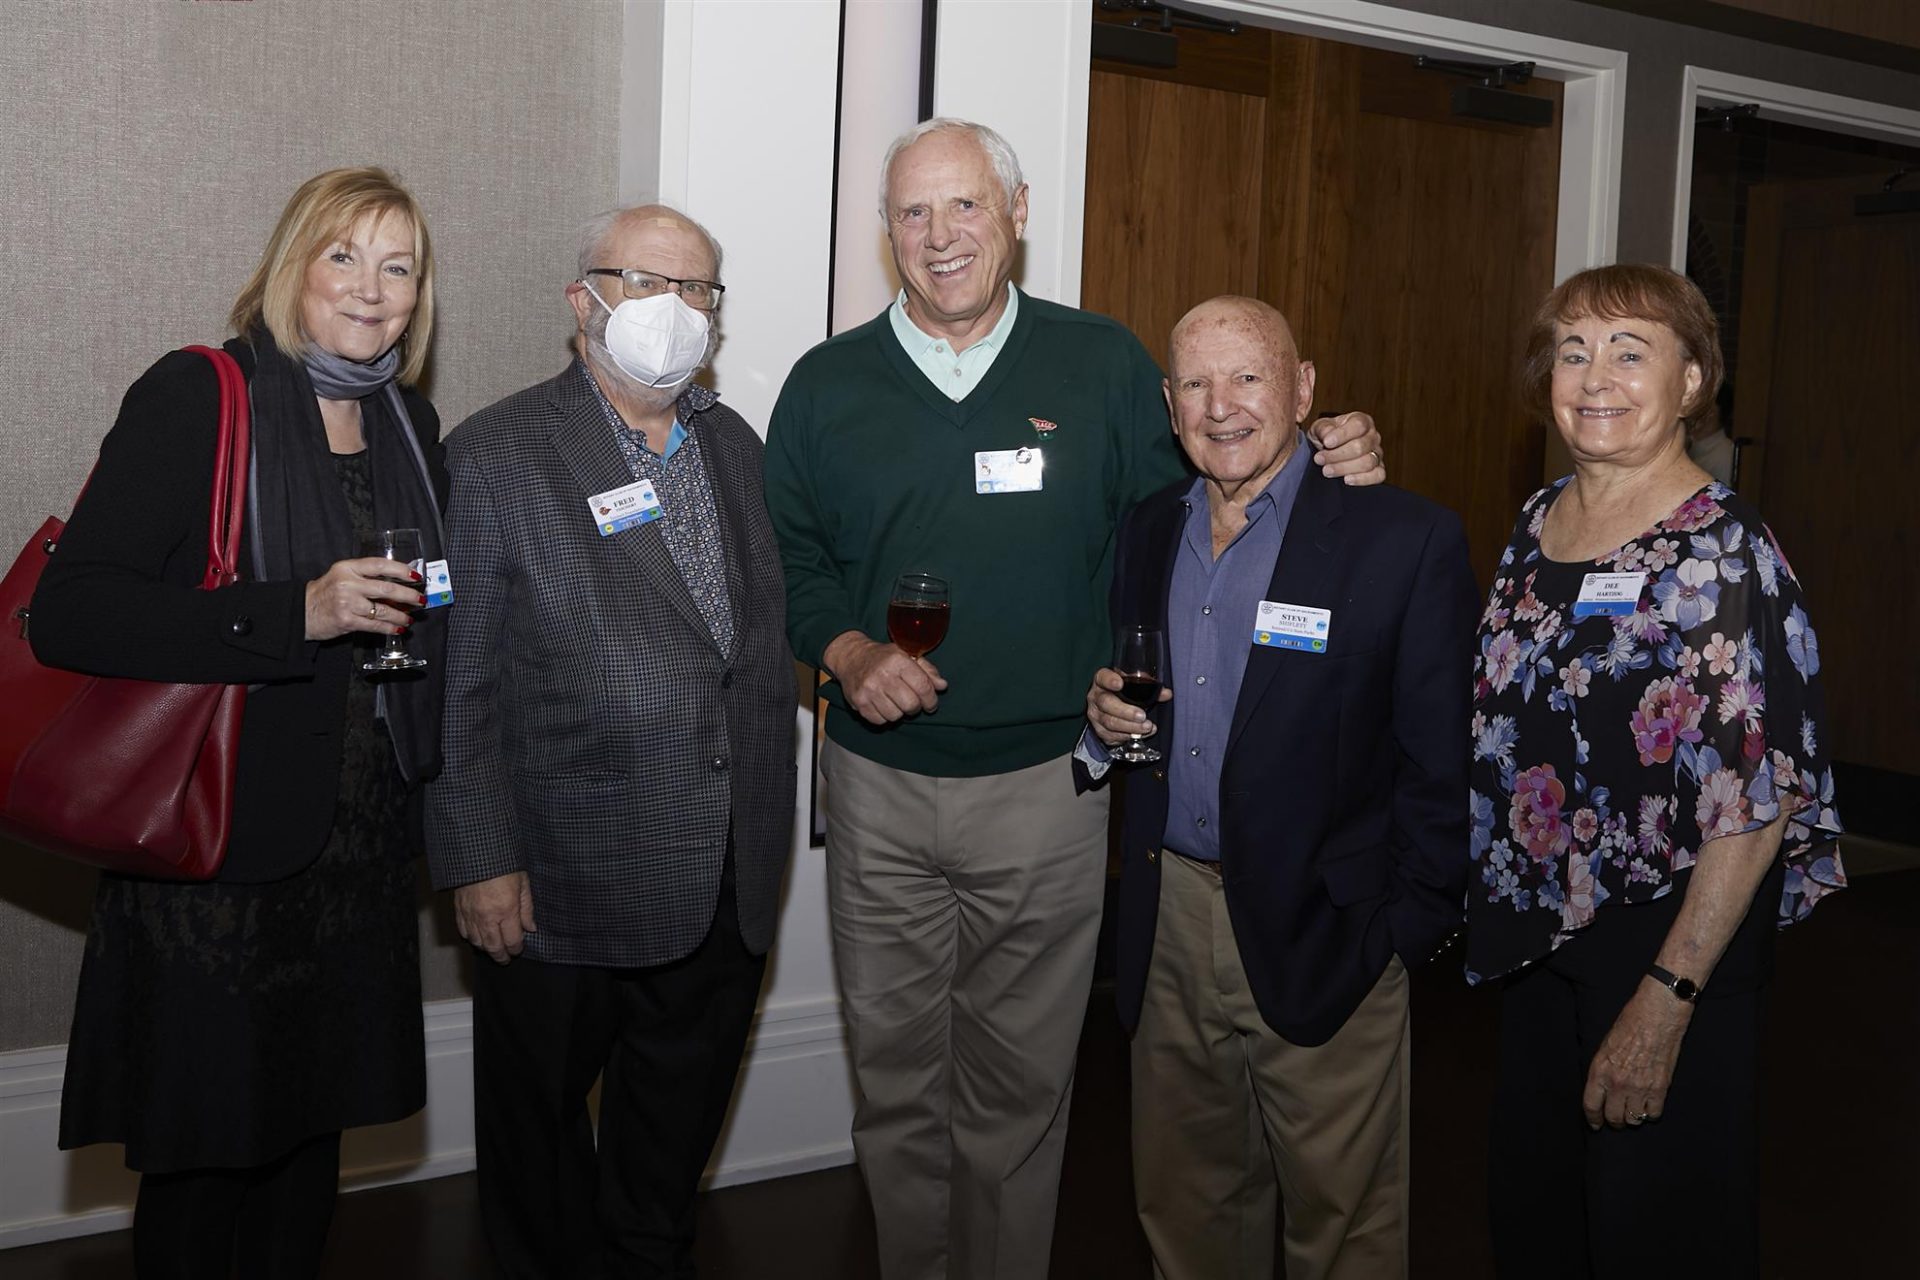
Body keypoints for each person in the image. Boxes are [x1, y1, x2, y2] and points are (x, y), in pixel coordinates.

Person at [763, 118, 1386, 1280]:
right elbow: (787, 559)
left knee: (1020, 1090)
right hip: (880, 789)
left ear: (1017, 213)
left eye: (966, 205)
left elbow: (1214, 492)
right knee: (896, 1083)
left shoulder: (1101, 365)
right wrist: (845, 649)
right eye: (913, 212)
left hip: (1050, 790)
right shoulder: (825, 383)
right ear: (886, 230)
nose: (941, 235)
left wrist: (1329, 450)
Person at [30, 166, 445, 1279]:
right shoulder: (201, 396)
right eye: (343, 255)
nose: (371, 288)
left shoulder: (409, 421)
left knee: (311, 1146)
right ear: (292, 266)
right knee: (205, 1158)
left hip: (358, 855)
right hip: (216, 853)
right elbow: (73, 611)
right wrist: (293, 613)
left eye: (398, 266)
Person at [427, 204, 795, 1278]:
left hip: (724, 871)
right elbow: (459, 677)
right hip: (558, 881)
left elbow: (746, 643)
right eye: (645, 281)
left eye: (696, 290)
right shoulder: (495, 453)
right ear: (582, 299)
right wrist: (479, 856)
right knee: (538, 1162)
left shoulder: (735, 445)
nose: (672, 308)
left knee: (665, 1163)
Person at [1079, 296, 1475, 1279]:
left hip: (1330, 928)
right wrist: (1106, 724)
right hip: (1170, 920)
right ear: (1169, 404)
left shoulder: (1402, 538)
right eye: (1197, 383)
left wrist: (1404, 930)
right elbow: (1144, 695)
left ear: (1302, 390)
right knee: (1186, 1205)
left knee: (1344, 1224)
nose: (1221, 406)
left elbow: (1443, 760)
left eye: (1248, 376)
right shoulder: (1147, 530)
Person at [1467, 264, 1846, 1276]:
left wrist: (1668, 994)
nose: (1595, 376)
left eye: (1630, 352)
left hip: (1669, 939)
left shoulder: (1724, 553)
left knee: (1660, 1234)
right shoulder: (1538, 519)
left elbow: (1759, 800)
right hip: (1542, 935)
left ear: (1690, 382)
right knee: (1540, 1221)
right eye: (1575, 352)